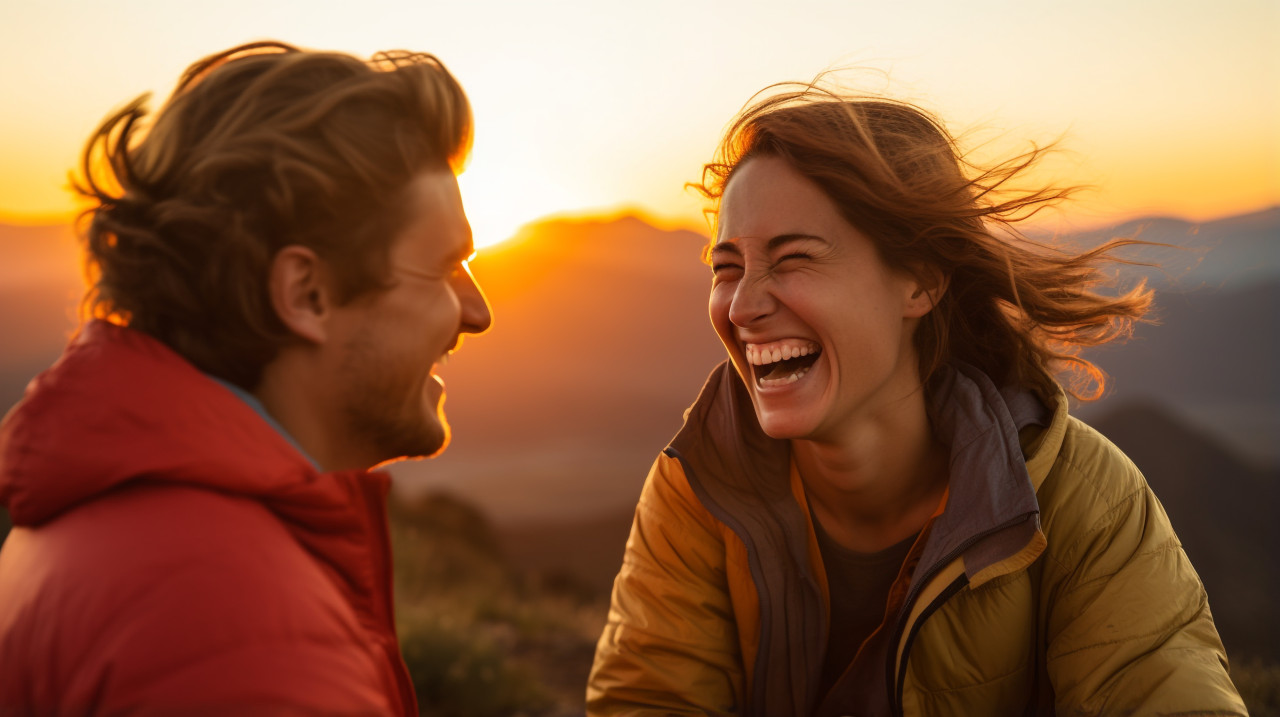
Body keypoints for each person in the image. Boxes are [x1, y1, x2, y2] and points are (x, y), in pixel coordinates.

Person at [587, 86, 1246, 716]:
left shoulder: (1084, 499)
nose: (744, 304)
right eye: (726, 267)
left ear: (921, 281)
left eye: (792, 259)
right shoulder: (700, 484)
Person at [0, 41, 491, 714]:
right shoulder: (239, 625)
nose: (477, 311)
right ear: (307, 293)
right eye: (441, 267)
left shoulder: (102, 523)